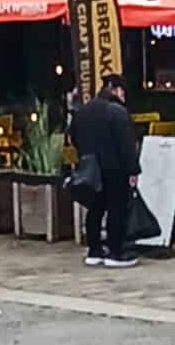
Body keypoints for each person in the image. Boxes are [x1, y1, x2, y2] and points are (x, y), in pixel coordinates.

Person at [69, 73, 140, 268]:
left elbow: (73, 135)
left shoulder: (83, 111)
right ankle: (115, 252)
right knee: (117, 209)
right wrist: (133, 170)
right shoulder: (117, 112)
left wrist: (85, 153)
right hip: (115, 168)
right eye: (122, 91)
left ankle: (94, 250)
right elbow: (127, 145)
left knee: (95, 208)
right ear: (116, 89)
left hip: (89, 167)